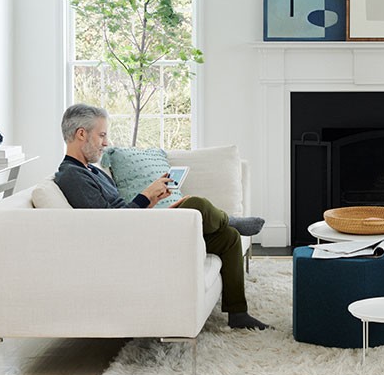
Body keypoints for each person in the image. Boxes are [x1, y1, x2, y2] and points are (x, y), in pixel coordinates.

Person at [53, 103, 268, 330]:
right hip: (134, 241)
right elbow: (112, 225)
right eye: (102, 135)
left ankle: (238, 314)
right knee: (197, 204)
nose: (106, 143)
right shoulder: (72, 176)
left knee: (229, 237)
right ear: (81, 134)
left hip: (141, 228)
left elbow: (120, 211)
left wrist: (151, 200)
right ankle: (231, 218)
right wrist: (145, 195)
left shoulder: (91, 170)